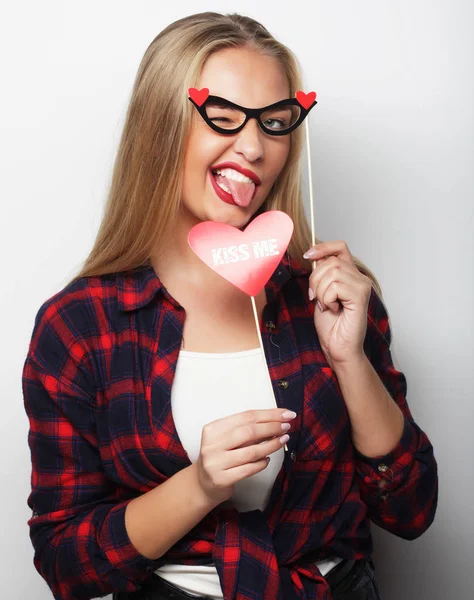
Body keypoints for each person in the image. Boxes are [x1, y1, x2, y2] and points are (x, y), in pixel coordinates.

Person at [22, 11, 438, 600]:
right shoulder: (79, 325)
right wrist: (200, 484)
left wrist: (350, 360)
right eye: (221, 117)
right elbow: (67, 564)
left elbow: (412, 511)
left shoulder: (333, 295)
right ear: (160, 128)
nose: (253, 146)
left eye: (274, 123)